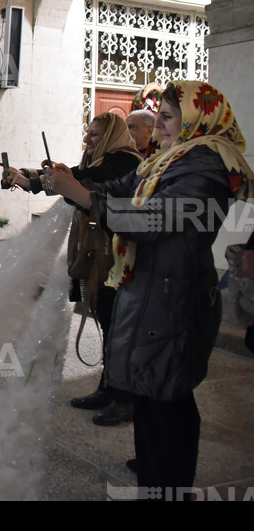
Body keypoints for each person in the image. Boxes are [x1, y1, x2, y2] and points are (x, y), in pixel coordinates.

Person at [45, 81, 254, 495]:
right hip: (153, 292)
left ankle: (168, 484)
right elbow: (119, 191)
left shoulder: (206, 165)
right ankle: (155, 476)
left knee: (168, 398)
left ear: (198, 118)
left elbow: (152, 219)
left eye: (168, 117)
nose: (158, 125)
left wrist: (87, 199)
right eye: (158, 115)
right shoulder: (167, 160)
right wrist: (72, 186)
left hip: (175, 298)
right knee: (151, 393)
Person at [6, 112, 142, 426]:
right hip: (105, 258)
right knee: (109, 323)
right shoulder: (104, 160)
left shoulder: (124, 161)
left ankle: (124, 397)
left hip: (120, 258)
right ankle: (109, 387)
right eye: (88, 133)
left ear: (112, 135)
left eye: (94, 135)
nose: (87, 140)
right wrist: (30, 180)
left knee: (119, 328)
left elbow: (88, 185)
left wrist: (57, 183)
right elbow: (77, 176)